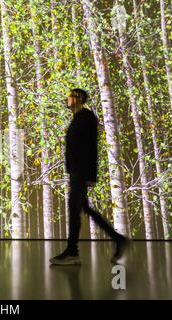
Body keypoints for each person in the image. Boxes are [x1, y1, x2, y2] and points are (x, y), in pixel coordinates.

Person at [50, 89, 130, 265]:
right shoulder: (78, 118)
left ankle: (72, 252)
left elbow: (91, 148)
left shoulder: (86, 118)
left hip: (80, 172)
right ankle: (118, 240)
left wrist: (89, 175)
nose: (67, 99)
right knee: (85, 208)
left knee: (74, 209)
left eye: (70, 96)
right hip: (76, 172)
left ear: (78, 99)